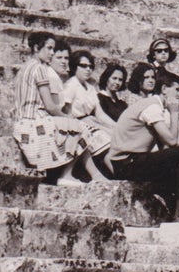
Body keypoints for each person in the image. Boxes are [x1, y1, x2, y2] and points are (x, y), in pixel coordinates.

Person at [11, 31, 107, 186]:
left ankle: (92, 175)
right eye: (49, 48)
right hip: (34, 121)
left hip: (24, 120)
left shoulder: (26, 67)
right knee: (79, 127)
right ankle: (68, 175)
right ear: (37, 48)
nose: (51, 53)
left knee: (75, 126)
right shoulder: (40, 68)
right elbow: (50, 106)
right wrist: (67, 117)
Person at [107, 74, 179, 222]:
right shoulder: (152, 107)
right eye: (177, 89)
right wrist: (175, 112)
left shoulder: (156, 107)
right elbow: (172, 141)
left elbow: (167, 146)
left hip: (133, 160)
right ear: (164, 89)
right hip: (126, 163)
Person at [60, 50, 113, 158]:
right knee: (107, 138)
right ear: (75, 66)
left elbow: (100, 114)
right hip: (77, 123)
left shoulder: (90, 88)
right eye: (83, 66)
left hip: (92, 121)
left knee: (116, 133)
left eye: (90, 66)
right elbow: (66, 113)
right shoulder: (71, 85)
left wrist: (116, 126)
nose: (88, 69)